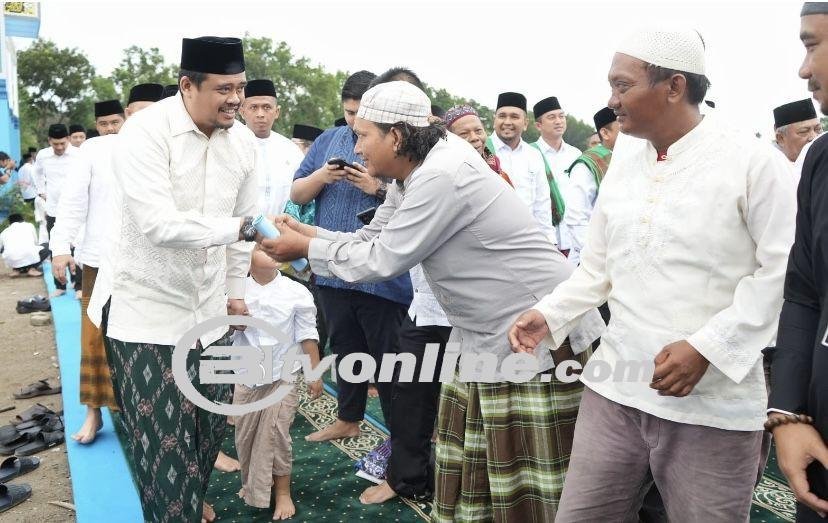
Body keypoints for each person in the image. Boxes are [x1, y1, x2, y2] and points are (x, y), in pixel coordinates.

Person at [259, 80, 604, 521]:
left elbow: (383, 259)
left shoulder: (441, 175)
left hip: (533, 331)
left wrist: (303, 249)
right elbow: (369, 238)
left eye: (364, 135)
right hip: (490, 330)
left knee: (536, 470)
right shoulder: (415, 172)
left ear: (397, 136)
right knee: (490, 460)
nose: (357, 148)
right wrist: (306, 233)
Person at [509, 27, 795, 522]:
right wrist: (549, 313)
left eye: (622, 86)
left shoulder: (752, 161)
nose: (611, 100)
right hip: (615, 388)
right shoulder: (624, 156)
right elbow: (598, 265)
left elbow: (782, 272)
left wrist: (706, 348)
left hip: (711, 406)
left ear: (674, 86)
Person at [87, 36, 259, 523]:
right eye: (224, 88)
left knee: (205, 440)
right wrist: (241, 227)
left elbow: (243, 233)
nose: (235, 100)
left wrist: (236, 294)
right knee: (165, 455)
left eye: (240, 88)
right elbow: (159, 225)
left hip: (211, 315)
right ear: (188, 85)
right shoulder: (144, 133)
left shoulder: (243, 143)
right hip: (145, 316)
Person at [290, 70, 412, 442]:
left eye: (361, 113)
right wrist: (322, 178)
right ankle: (348, 417)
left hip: (380, 274)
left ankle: (400, 438)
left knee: (389, 360)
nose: (354, 122)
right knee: (345, 348)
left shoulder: (396, 145)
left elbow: (411, 197)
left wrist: (376, 187)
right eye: (348, 113)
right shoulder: (328, 140)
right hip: (331, 270)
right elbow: (297, 194)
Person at [51, 87, 160, 446]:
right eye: (137, 112)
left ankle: (148, 412)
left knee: (149, 338)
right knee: (94, 336)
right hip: (100, 259)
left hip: (150, 260)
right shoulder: (96, 150)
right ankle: (94, 412)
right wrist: (60, 248)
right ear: (129, 112)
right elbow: (72, 201)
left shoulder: (169, 146)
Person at [768, 4, 828, 521]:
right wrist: (787, 415)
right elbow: (805, 293)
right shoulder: (822, 160)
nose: (804, 69)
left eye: (812, 46)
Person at [233, 246, 323, 521]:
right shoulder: (234, 294)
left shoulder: (297, 292)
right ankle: (255, 483)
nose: (271, 250)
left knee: (278, 436)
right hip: (247, 377)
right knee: (245, 436)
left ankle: (283, 492)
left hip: (284, 376)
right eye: (261, 247)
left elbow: (308, 334)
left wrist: (315, 373)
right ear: (244, 256)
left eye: (274, 244)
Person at [487, 92, 558, 244]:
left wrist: (549, 242)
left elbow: (542, 204)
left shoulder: (534, 155)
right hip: (491, 240)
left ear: (525, 123)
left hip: (527, 239)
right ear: (494, 121)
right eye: (502, 116)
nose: (507, 122)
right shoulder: (482, 151)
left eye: (514, 117)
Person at [239, 79, 305, 216]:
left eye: (266, 107)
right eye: (253, 107)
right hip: (240, 232)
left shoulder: (291, 151)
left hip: (280, 232)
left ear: (277, 112)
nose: (260, 114)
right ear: (242, 111)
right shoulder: (232, 145)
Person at [563, 107, 620, 265]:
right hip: (593, 260)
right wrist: (597, 258)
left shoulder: (627, 158)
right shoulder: (589, 164)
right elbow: (576, 217)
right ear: (605, 133)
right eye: (621, 126)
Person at [34, 123, 83, 297]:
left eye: (63, 143)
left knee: (78, 246)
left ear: (69, 139)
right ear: (49, 141)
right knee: (57, 247)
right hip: (54, 208)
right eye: (56, 144)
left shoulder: (79, 155)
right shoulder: (43, 156)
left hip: (76, 209)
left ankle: (79, 286)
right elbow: (37, 173)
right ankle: (60, 285)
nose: (60, 147)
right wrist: (41, 191)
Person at [532, 96, 582, 253]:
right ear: (538, 125)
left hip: (575, 238)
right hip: (543, 237)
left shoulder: (576, 154)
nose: (559, 121)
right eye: (551, 117)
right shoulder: (530, 154)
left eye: (561, 116)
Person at [443, 104, 513, 186]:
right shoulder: (446, 176)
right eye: (464, 134)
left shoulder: (498, 171)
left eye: (478, 131)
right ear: (450, 139)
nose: (474, 138)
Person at [773, 98, 822, 162]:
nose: (814, 137)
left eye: (818, 129)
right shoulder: (773, 168)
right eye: (804, 131)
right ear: (781, 138)